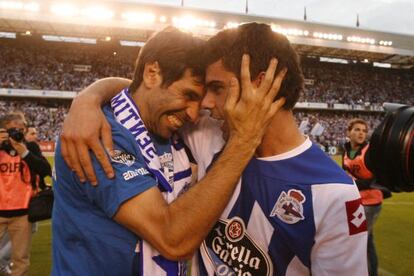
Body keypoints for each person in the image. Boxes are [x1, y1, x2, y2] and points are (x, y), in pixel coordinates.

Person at [61, 23, 368, 275]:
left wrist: (88, 98)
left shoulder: (334, 193)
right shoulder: (212, 136)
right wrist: (88, 99)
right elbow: (146, 92)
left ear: (258, 85)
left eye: (217, 89)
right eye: (201, 93)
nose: (202, 108)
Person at [0, 114, 51, 276]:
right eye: (12, 130)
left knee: (20, 259)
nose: (17, 133)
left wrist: (24, 153)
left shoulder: (30, 147)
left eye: (21, 130)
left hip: (23, 212)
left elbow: (45, 170)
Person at [342, 118, 384, 276]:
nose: (361, 133)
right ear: (349, 132)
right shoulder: (347, 151)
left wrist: (354, 185)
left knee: (362, 241)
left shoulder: (370, 151)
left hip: (370, 202)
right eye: (357, 129)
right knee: (365, 240)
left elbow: (377, 178)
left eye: (364, 131)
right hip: (357, 201)